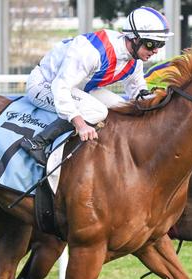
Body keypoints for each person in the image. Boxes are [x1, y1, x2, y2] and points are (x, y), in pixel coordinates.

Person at [19, 6, 173, 166]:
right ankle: (38, 143)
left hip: (78, 88)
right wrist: (80, 123)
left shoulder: (134, 60)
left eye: (160, 44)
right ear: (134, 38)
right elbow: (60, 86)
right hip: (46, 84)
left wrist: (162, 100)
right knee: (97, 111)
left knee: (121, 106)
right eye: (151, 44)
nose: (155, 50)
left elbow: (137, 92)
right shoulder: (92, 51)